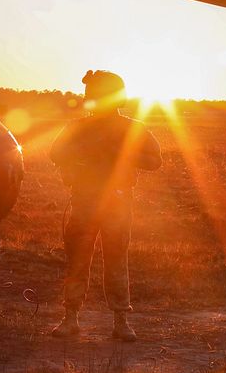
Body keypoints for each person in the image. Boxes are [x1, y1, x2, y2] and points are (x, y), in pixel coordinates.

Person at [49, 70, 162, 341]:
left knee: (115, 261)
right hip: (85, 201)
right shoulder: (78, 128)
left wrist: (122, 153)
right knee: (78, 260)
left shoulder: (132, 129)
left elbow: (154, 160)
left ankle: (120, 321)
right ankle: (71, 317)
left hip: (117, 201)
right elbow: (55, 153)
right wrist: (81, 156)